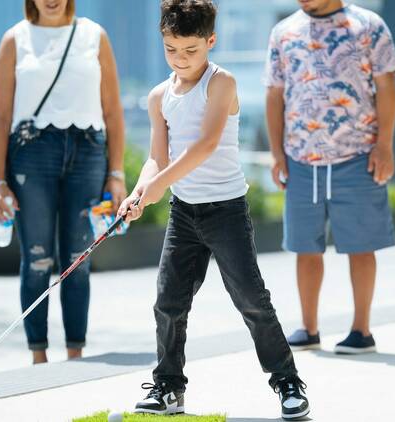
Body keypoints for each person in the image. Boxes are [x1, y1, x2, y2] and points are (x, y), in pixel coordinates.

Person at [118, 1, 309, 419]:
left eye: (190, 50)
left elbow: (204, 145)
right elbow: (156, 156)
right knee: (168, 302)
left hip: (226, 212)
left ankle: (288, 383)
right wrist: (138, 192)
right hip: (183, 213)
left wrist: (156, 184)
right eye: (171, 49)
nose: (181, 59)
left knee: (251, 299)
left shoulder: (222, 83)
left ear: (210, 42)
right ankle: (169, 388)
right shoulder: (158, 96)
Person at [0, 0, 126, 364]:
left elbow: (112, 110)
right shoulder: (14, 39)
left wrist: (117, 173)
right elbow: (0, 114)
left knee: (77, 260)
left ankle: (76, 355)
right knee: (37, 259)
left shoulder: (95, 35)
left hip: (89, 152)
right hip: (32, 154)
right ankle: (38, 357)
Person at [265, 0, 395, 354]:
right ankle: (308, 328)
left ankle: (362, 330)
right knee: (304, 247)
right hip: (300, 158)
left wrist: (384, 145)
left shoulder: (368, 24)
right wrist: (277, 152)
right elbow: (275, 93)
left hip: (357, 155)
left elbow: (386, 87)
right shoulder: (284, 31)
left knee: (361, 245)